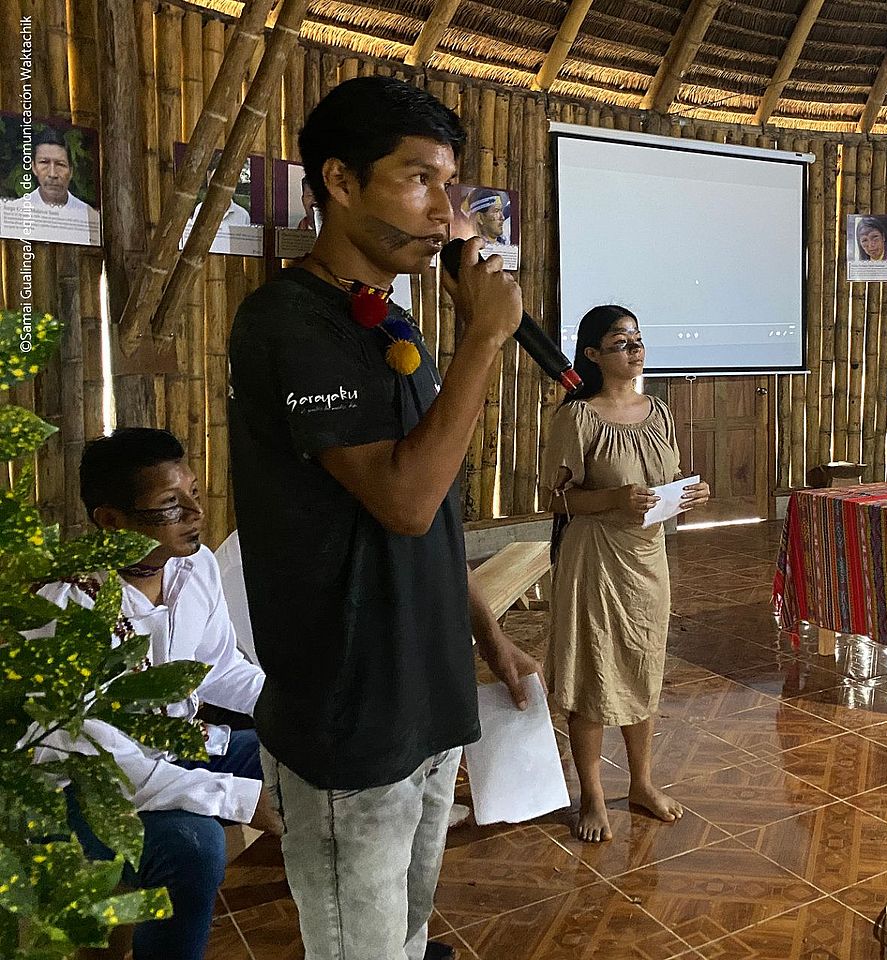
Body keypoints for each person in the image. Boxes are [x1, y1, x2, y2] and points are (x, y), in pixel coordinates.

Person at [227, 76, 538, 960]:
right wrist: (484, 336)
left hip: (426, 692)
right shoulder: (288, 322)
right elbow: (402, 501)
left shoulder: (387, 318)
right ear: (340, 180)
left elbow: (430, 510)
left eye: (454, 187)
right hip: (351, 713)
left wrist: (484, 634)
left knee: (407, 933)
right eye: (419, 180)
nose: (446, 213)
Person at [32, 428, 274, 960]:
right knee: (192, 847)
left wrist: (297, 714)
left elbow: (218, 669)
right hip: (81, 785)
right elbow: (113, 764)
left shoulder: (194, 565)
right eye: (170, 504)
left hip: (173, 747)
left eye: (191, 490)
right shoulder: (68, 609)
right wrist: (240, 798)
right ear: (111, 521)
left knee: (295, 754)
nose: (195, 511)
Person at [544, 305, 711, 843]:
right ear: (592, 355)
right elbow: (556, 500)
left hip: (648, 561)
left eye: (638, 339)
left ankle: (642, 783)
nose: (635, 349)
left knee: (643, 666)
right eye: (621, 342)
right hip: (595, 560)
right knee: (594, 675)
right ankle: (592, 795)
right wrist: (613, 498)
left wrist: (688, 493)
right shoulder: (578, 416)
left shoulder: (657, 410)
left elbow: (666, 479)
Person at [17, 127, 102, 240]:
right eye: (44, 163)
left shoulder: (89, 217)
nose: (52, 174)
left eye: (60, 164)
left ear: (71, 171)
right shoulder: (16, 211)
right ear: (34, 167)